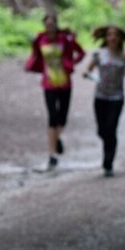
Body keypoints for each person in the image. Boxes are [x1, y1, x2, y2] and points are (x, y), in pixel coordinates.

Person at [24, 12, 85, 170]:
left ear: (56, 24)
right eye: (47, 24)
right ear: (44, 25)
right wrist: (31, 65)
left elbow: (81, 52)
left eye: (52, 24)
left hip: (65, 82)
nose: (49, 27)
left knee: (62, 118)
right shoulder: (40, 39)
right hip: (48, 83)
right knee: (52, 117)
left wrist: (72, 63)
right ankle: (52, 155)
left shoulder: (65, 39)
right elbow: (36, 56)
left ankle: (56, 138)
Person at [83, 26, 125, 177]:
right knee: (102, 130)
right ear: (106, 38)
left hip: (116, 97)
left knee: (111, 128)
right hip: (100, 96)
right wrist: (89, 75)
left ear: (120, 38)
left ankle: (108, 162)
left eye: (115, 35)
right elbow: (88, 70)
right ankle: (108, 148)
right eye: (110, 35)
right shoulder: (99, 54)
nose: (112, 37)